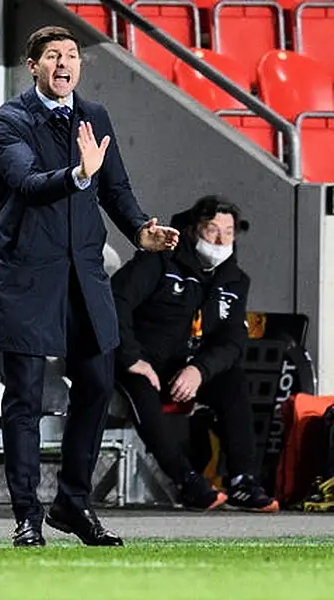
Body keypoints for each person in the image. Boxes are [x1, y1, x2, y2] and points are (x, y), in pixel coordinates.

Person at [0, 25, 179, 547]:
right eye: (52, 55)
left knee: (96, 385)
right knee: (24, 398)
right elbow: (27, 183)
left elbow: (115, 188)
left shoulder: (94, 117)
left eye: (72, 55)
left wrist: (142, 229)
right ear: (33, 66)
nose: (64, 63)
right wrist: (77, 173)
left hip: (84, 275)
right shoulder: (9, 121)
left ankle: (72, 503)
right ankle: (26, 515)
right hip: (28, 276)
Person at [112, 195, 279, 513]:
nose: (220, 239)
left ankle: (244, 480)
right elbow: (115, 302)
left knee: (232, 380)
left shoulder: (235, 281)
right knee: (141, 389)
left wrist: (200, 370)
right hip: (137, 362)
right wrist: (133, 358)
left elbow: (232, 341)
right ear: (191, 230)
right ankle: (187, 480)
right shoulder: (158, 260)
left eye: (228, 232)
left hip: (186, 367)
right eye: (212, 229)